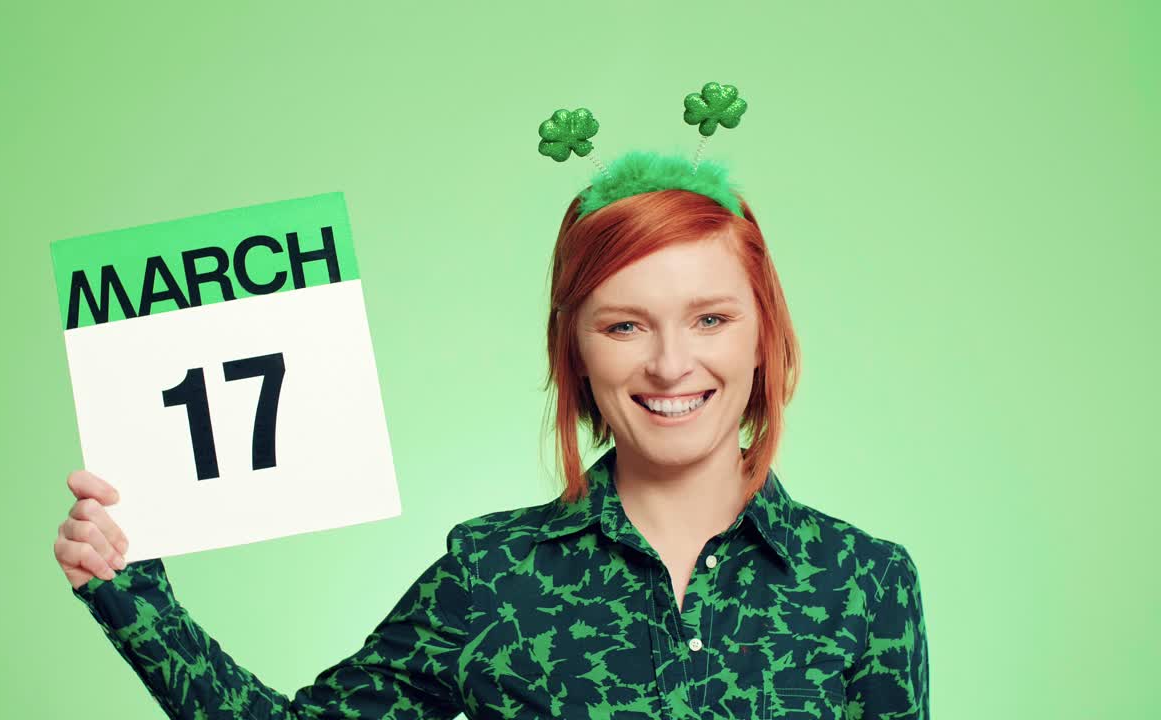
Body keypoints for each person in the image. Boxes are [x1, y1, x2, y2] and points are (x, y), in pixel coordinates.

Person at [55, 88, 929, 719]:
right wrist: (133, 596)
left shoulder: (867, 584)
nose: (671, 364)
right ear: (577, 351)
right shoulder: (494, 579)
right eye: (625, 326)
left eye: (709, 318)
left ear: (760, 333)